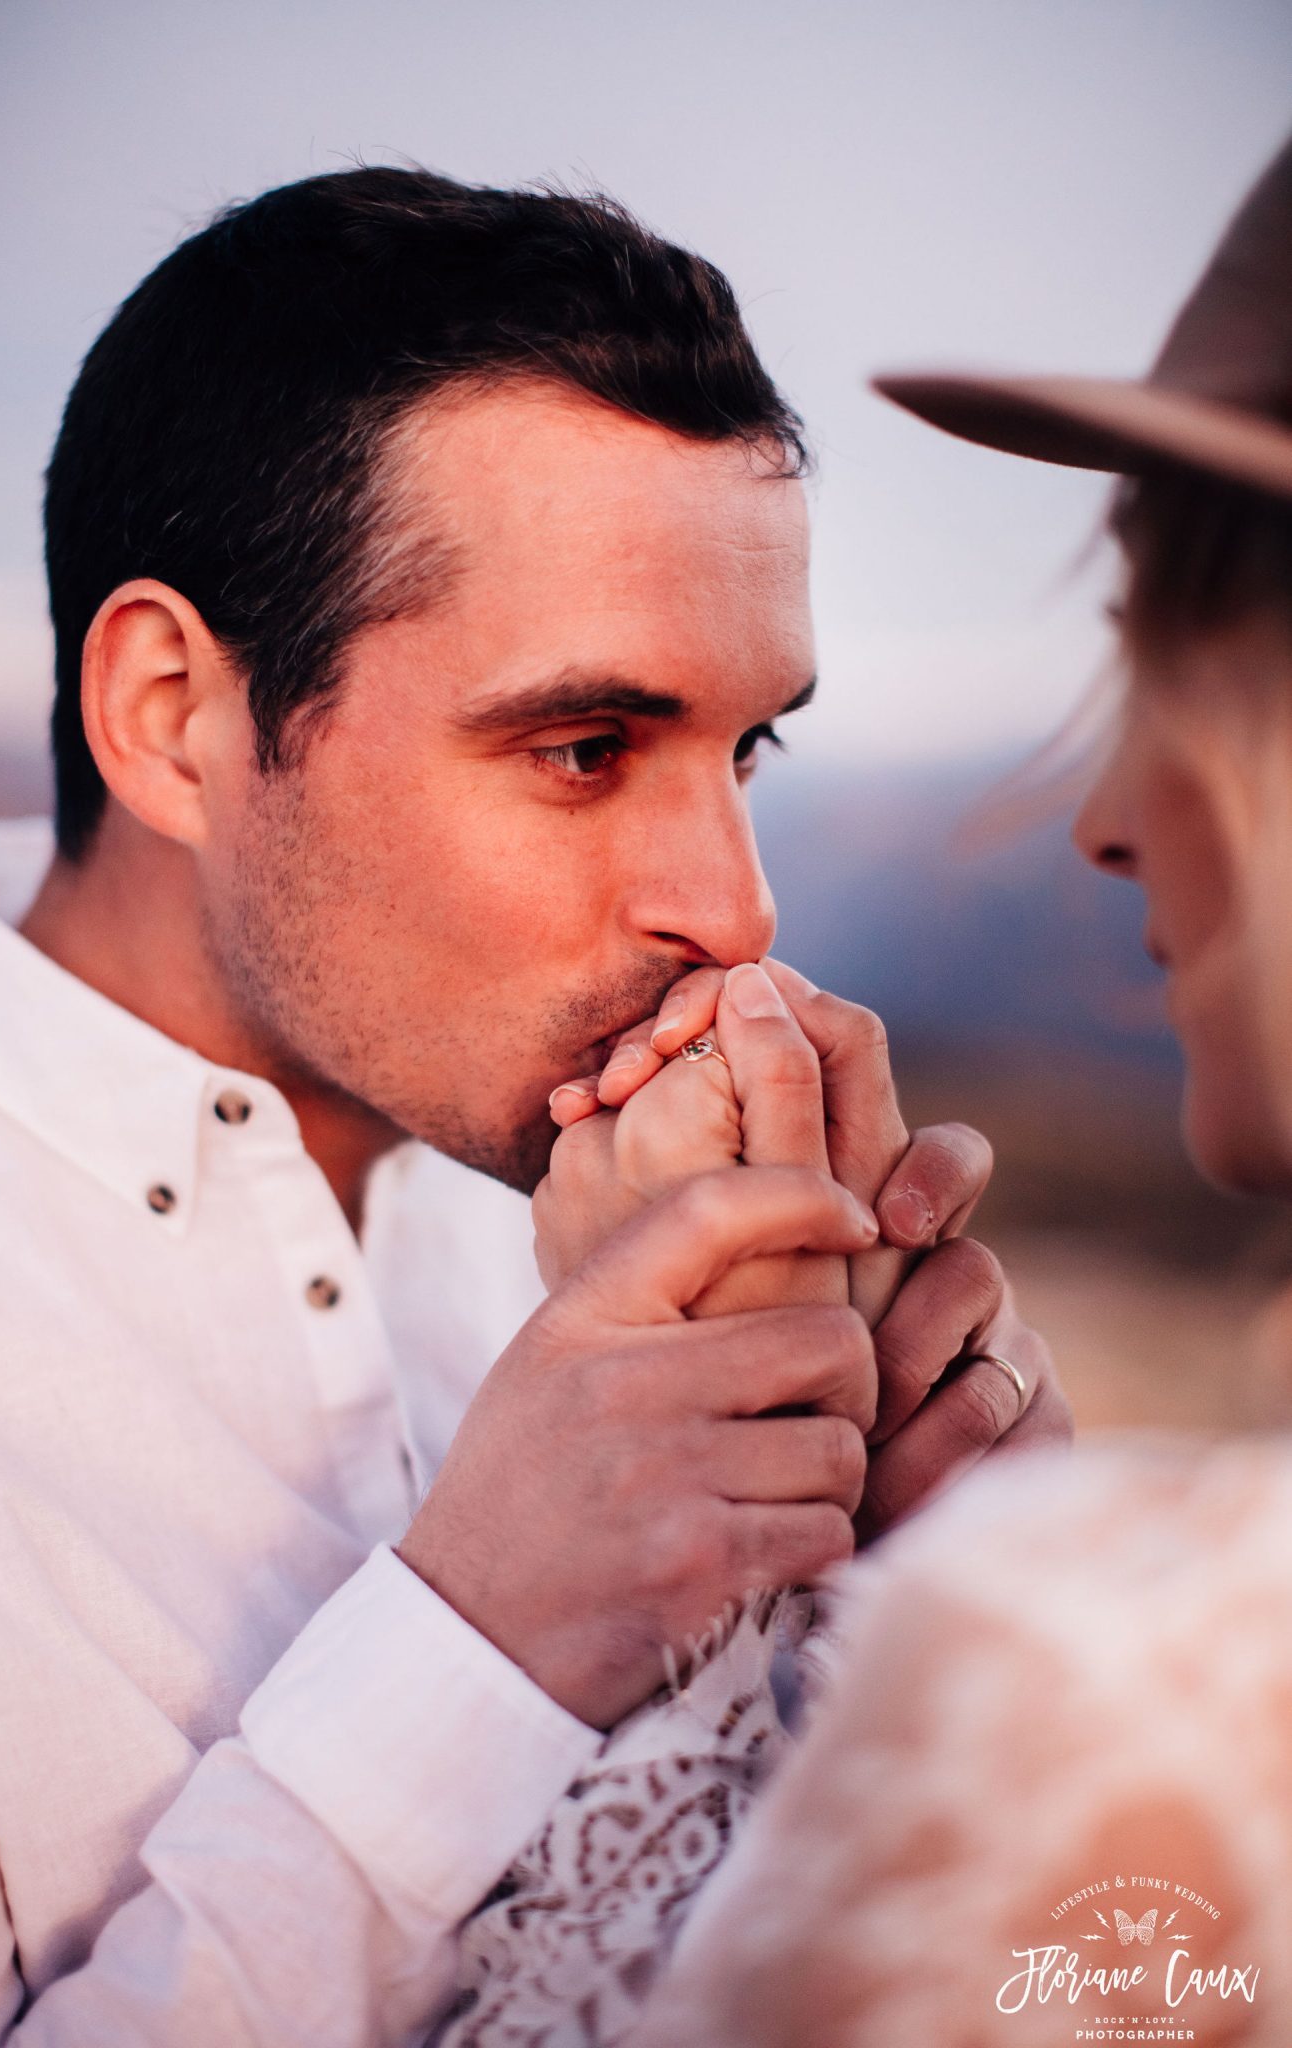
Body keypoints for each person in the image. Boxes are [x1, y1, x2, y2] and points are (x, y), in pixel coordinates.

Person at [0, 168, 1069, 2043]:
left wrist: (946, 1606)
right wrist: (485, 1636)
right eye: (584, 746)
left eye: (745, 745)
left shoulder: (603, 1213)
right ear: (169, 714)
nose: (737, 907)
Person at [622, 131, 1292, 2046]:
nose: (1098, 819)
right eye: (590, 746)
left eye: (1154, 667)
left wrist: (703, 1563)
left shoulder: (1113, 1685)